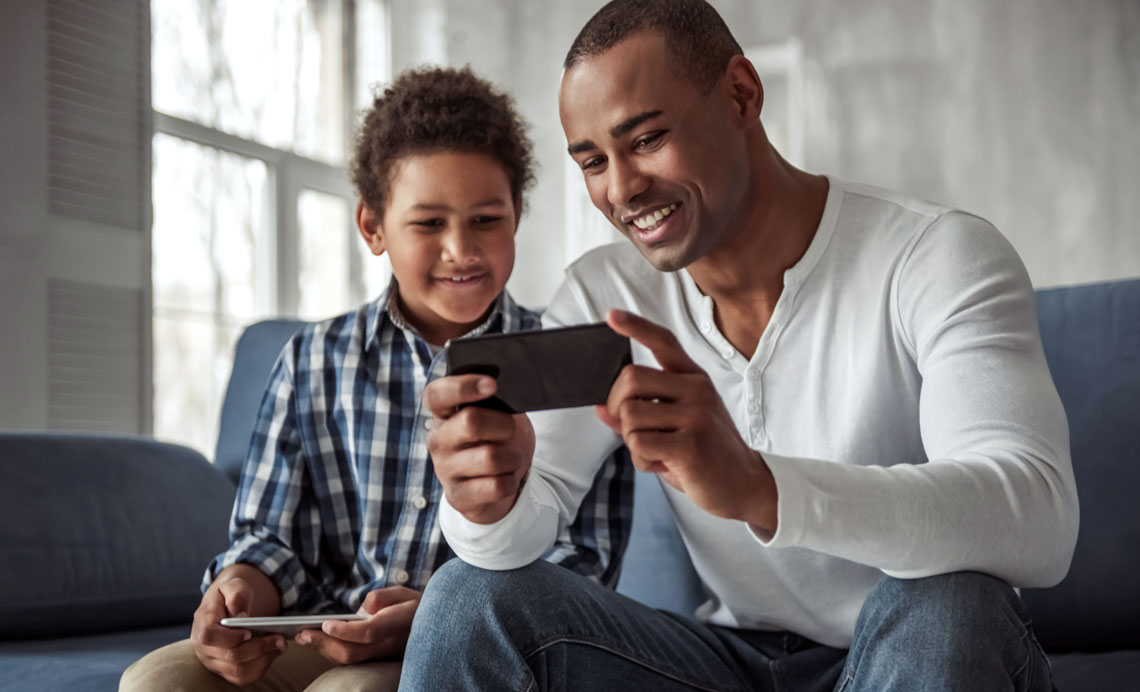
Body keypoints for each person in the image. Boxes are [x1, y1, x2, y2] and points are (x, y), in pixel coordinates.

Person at [400, 1, 1079, 690]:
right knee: (467, 597)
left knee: (948, 602)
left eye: (647, 139)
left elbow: (1037, 516)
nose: (623, 188)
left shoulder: (935, 255)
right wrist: (486, 502)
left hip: (914, 648)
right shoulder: (607, 293)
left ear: (741, 94)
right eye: (592, 161)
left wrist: (759, 486)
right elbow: (523, 527)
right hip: (732, 664)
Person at [119, 66, 631, 692]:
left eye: (487, 220)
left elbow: (583, 567)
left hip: (466, 643)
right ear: (372, 227)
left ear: (517, 216)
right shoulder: (310, 360)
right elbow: (267, 537)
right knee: (156, 681)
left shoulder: (560, 362)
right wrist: (236, 593)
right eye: (428, 223)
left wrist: (434, 615)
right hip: (315, 634)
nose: (461, 250)